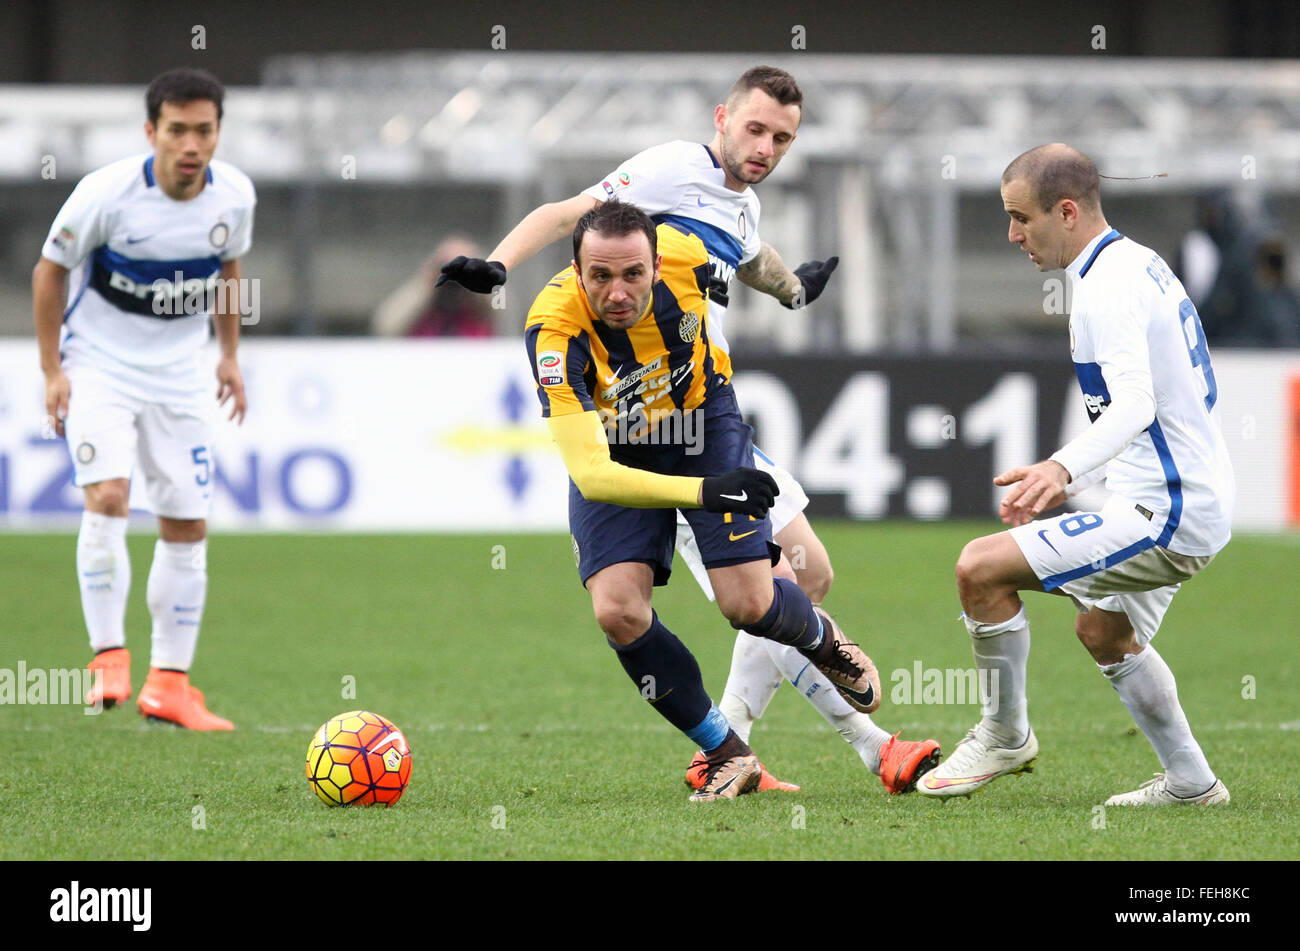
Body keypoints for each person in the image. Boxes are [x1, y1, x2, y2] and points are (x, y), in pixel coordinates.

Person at [442, 65, 939, 795]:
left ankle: (743, 743)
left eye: (782, 138)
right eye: (755, 128)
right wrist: (499, 262)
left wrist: (797, 289)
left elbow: (752, 256)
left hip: (704, 410)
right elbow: (570, 211)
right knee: (667, 601)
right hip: (633, 442)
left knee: (804, 577)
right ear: (721, 118)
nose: (766, 146)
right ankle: (854, 745)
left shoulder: (739, 206)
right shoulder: (673, 172)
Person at [524, 200, 881, 801]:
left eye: (633, 274)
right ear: (576, 271)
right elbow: (592, 474)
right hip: (618, 451)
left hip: (701, 425)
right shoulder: (553, 332)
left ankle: (819, 639)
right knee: (617, 610)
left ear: (659, 264)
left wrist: (792, 289)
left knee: (747, 604)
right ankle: (727, 752)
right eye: (600, 276)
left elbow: (748, 253)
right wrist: (704, 493)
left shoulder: (692, 253)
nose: (617, 292)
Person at [918, 144, 1232, 805]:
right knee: (1103, 629)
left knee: (979, 567)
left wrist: (1061, 467)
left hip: (1166, 512)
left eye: (1020, 218)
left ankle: (1004, 734)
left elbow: (1136, 404)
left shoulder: (1106, 288)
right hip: (1185, 498)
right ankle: (1192, 783)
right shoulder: (1135, 262)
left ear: (1065, 212)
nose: (1012, 235)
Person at [33, 67, 255, 730]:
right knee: (108, 495)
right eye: (178, 129)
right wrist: (51, 370)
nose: (192, 144)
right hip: (99, 365)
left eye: (204, 130)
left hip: (181, 373)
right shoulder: (105, 194)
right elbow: (49, 271)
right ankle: (107, 656)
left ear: (218, 133)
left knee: (187, 521)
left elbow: (230, 271)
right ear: (151, 131)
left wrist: (230, 355)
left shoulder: (234, 197)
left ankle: (171, 684)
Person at [372, 235, 495, 337]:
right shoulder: (423, 306)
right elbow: (385, 325)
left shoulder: (480, 311)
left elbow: (503, 310)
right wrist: (428, 278)